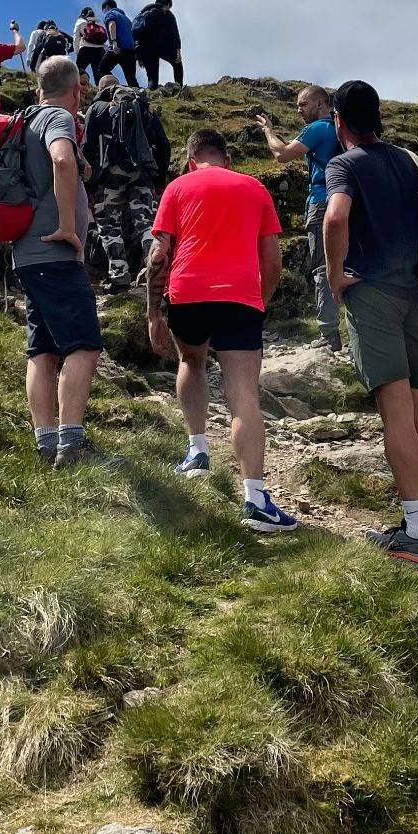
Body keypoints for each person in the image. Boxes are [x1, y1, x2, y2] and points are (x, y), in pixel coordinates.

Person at [322, 79, 418, 566]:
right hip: (416, 298)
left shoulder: (344, 164)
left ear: (338, 120)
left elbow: (335, 218)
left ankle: (415, 535)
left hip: (375, 296)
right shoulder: (407, 160)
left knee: (396, 414)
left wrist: (336, 275)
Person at [146, 130, 296, 533]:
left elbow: (159, 254)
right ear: (227, 158)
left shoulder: (177, 187)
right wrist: (258, 300)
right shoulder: (254, 188)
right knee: (242, 392)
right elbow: (273, 260)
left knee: (190, 361)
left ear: (192, 159)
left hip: (187, 293)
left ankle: (197, 452)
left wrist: (152, 313)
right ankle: (256, 499)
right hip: (240, 298)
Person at [12, 55, 102, 468]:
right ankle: (72, 445)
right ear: (77, 91)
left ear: (38, 89)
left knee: (42, 351)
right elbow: (62, 160)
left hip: (26, 254)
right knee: (83, 346)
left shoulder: (23, 119)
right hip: (54, 252)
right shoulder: (56, 119)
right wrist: (69, 226)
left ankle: (46, 444)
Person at [256, 84, 341, 352]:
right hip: (345, 201)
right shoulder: (342, 129)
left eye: (303, 104)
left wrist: (269, 131)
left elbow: (282, 155)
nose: (298, 110)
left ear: (319, 103)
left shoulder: (319, 128)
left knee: (322, 266)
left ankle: (329, 335)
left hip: (321, 202)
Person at [84, 80, 162, 292]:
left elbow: (87, 146)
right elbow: (162, 143)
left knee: (110, 225)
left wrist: (90, 182)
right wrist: (158, 178)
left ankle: (119, 276)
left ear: (102, 90)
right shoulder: (143, 105)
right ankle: (155, 270)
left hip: (110, 176)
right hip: (142, 173)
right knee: (146, 223)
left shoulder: (97, 108)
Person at [132, 0, 184, 89]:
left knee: (152, 80)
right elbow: (175, 34)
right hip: (161, 47)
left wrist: (139, 54)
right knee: (177, 64)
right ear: (168, 4)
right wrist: (178, 51)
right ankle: (179, 89)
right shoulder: (167, 13)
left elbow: (135, 33)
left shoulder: (143, 13)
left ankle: (149, 99)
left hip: (145, 48)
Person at [99, 0, 140, 87]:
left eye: (103, 10)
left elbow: (112, 24)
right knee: (131, 79)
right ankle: (139, 98)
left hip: (117, 48)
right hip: (130, 51)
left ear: (107, 7)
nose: (103, 12)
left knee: (102, 69)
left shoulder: (110, 13)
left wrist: (114, 41)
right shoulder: (127, 19)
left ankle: (116, 86)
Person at [72, 6, 108, 82]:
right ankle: (102, 90)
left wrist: (77, 50)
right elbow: (104, 36)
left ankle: (77, 88)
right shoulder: (99, 21)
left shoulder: (81, 21)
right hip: (100, 50)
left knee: (78, 71)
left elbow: (76, 37)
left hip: (85, 48)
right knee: (99, 73)